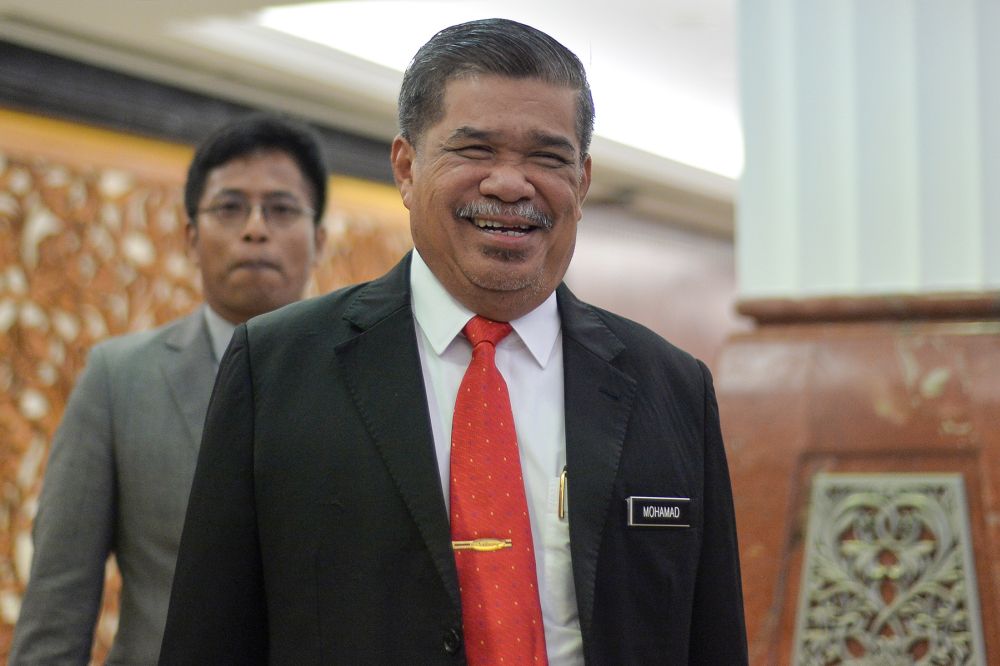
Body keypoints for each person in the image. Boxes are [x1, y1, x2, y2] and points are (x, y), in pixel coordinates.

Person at [160, 18, 747, 665]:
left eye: (546, 158)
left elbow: (712, 638)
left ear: (581, 183)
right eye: (475, 150)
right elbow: (208, 640)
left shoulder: (671, 390)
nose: (510, 183)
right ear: (406, 168)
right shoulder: (277, 369)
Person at [10, 113, 329, 665]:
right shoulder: (119, 379)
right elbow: (58, 600)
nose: (256, 228)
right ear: (190, 236)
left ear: (319, 239)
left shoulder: (369, 375)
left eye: (281, 209)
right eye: (230, 208)